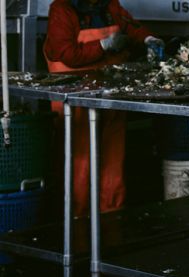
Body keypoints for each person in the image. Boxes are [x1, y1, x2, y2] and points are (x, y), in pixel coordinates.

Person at [44, 0, 163, 216]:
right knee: (79, 163)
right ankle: (76, 219)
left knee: (113, 161)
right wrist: (103, 45)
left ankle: (112, 217)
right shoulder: (62, 9)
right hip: (76, 99)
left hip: (111, 93)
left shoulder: (110, 5)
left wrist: (148, 38)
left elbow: (131, 27)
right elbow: (65, 53)